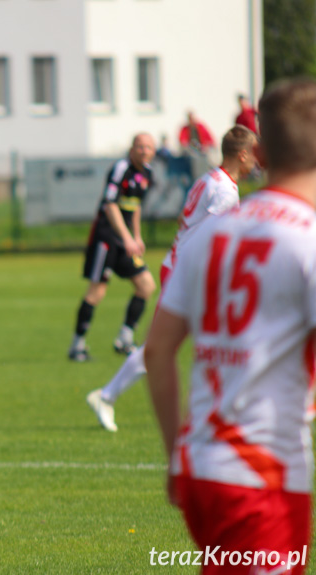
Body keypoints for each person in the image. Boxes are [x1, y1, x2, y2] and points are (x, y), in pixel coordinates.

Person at [145, 78, 316, 575]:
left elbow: (158, 351)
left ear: (259, 152)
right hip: (260, 475)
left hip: (201, 465)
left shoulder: (214, 235)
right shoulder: (306, 238)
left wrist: (176, 453)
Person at [86, 125, 258, 431]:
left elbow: (190, 222)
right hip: (189, 273)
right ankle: (226, 412)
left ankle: (108, 395)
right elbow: (216, 239)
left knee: (168, 344)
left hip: (179, 266)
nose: (256, 162)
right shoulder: (225, 191)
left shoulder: (210, 178)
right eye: (254, 154)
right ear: (243, 154)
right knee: (220, 337)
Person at [67, 134, 157, 362]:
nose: (144, 151)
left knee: (146, 285)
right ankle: (77, 346)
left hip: (125, 239)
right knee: (97, 291)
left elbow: (135, 207)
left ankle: (124, 339)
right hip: (106, 238)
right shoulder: (121, 169)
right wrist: (126, 238)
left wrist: (137, 236)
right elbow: (110, 205)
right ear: (132, 148)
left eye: (149, 147)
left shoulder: (147, 173)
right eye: (140, 146)